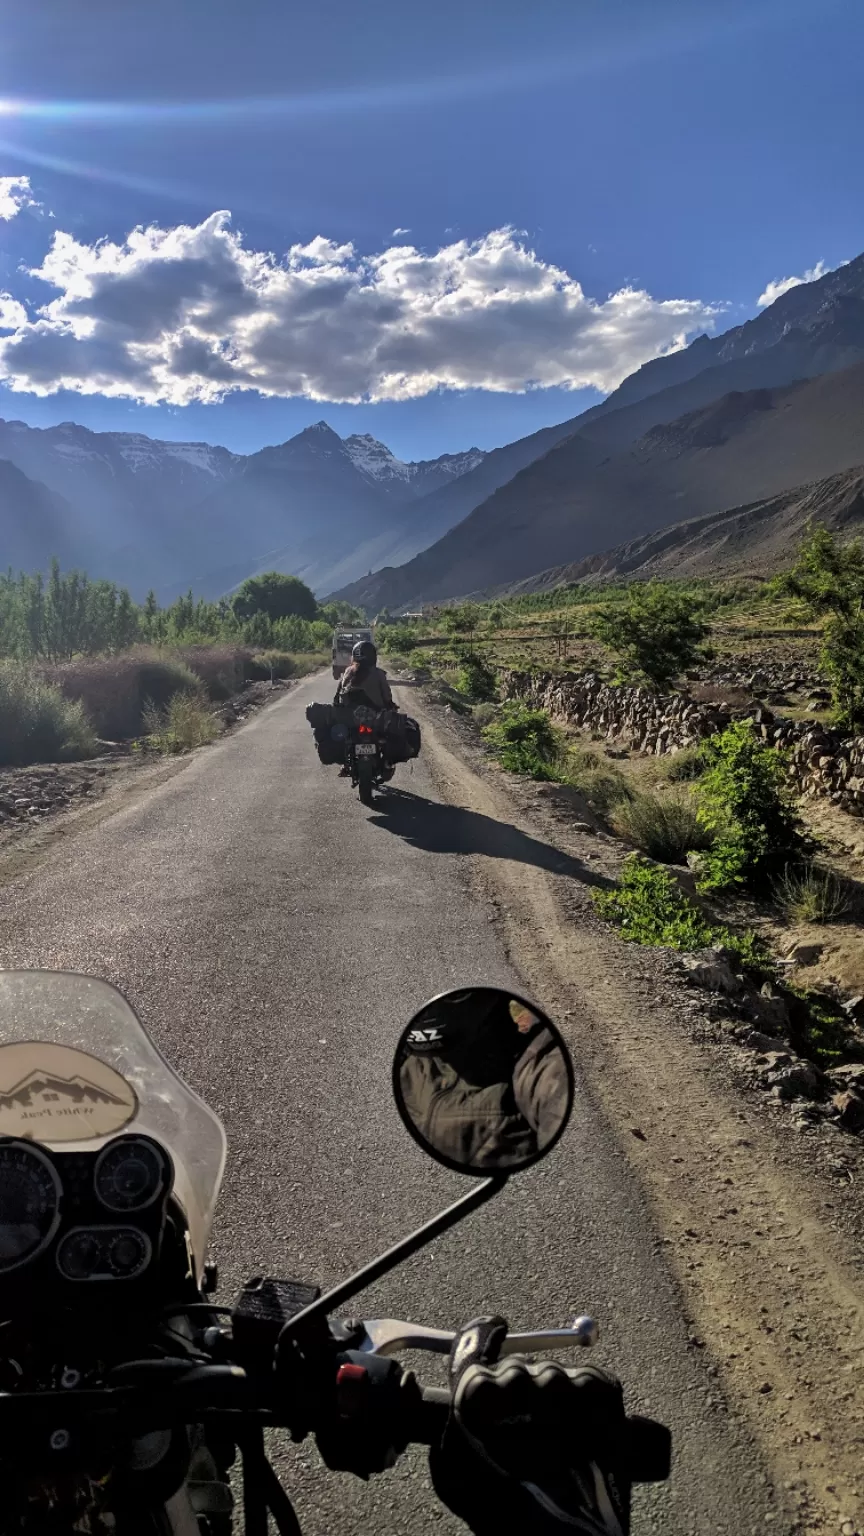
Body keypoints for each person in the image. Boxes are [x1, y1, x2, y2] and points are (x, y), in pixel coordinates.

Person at [334, 640, 394, 712]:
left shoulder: (348, 671)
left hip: (349, 714)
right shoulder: (379, 673)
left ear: (354, 656)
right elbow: (387, 696)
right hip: (374, 715)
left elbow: (339, 693)